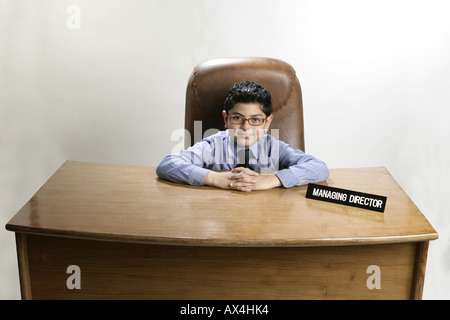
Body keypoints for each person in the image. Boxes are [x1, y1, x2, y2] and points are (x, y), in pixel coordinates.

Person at [156, 81, 329, 192]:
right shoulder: (214, 145)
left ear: (267, 122)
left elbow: (319, 168)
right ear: (226, 118)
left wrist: (272, 179)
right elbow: (167, 165)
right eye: (237, 118)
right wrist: (216, 178)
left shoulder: (274, 147)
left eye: (255, 119)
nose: (246, 127)